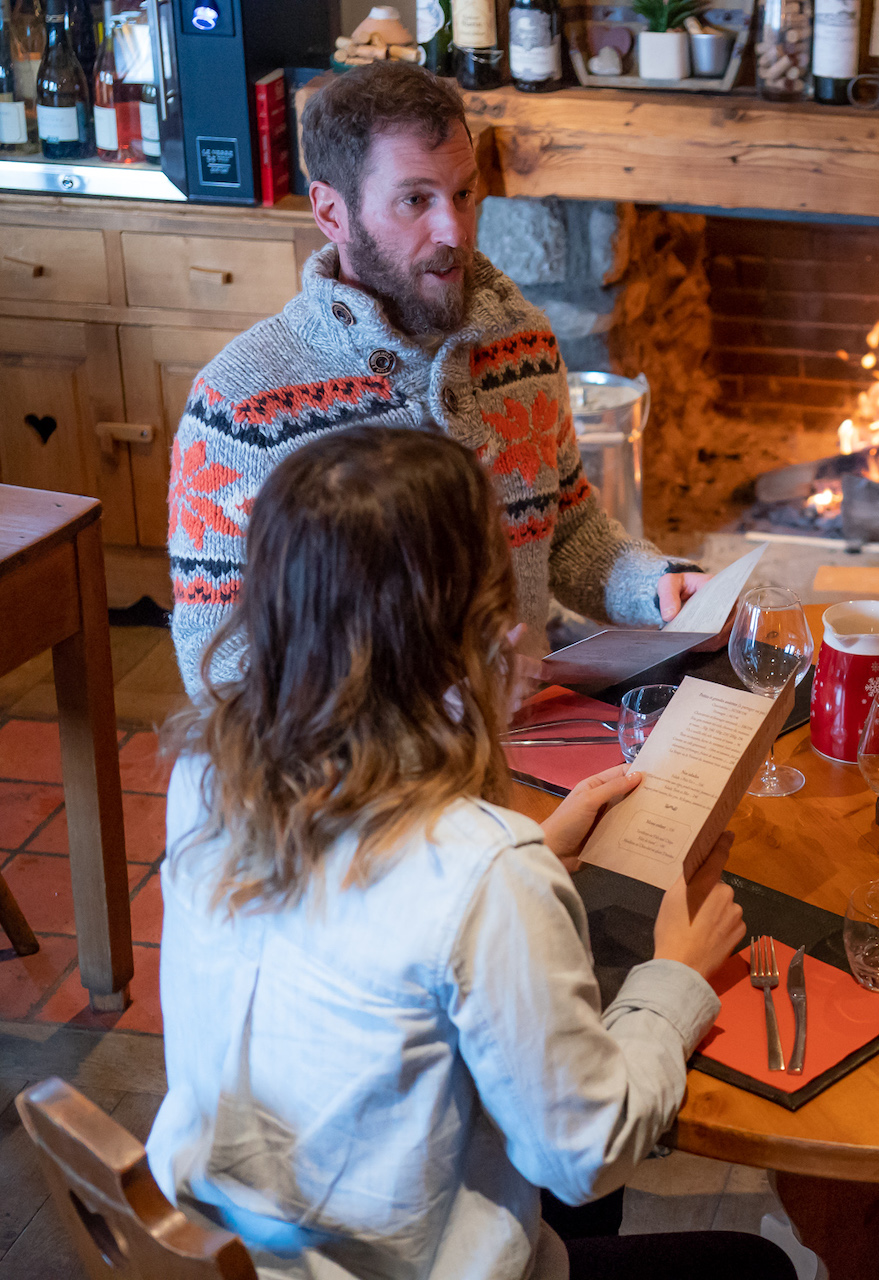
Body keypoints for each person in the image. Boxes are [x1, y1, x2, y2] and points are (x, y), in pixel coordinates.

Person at [146, 427, 795, 1280]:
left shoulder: (208, 771)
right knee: (751, 1269)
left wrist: (539, 859)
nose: (517, 627)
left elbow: (376, 926)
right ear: (459, 634)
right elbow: (585, 1153)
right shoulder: (485, 870)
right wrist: (674, 975)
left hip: (243, 1238)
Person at [167, 60, 706, 696]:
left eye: (463, 194)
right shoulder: (239, 408)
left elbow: (564, 530)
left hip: (526, 738)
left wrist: (655, 586)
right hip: (363, 782)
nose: (453, 230)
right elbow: (219, 673)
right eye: (415, 200)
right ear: (333, 213)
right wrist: (420, 711)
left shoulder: (522, 344)